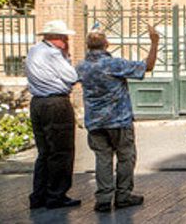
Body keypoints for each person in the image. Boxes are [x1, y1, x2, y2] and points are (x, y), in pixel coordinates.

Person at [76, 25, 160, 213]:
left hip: (95, 122)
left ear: (88, 45)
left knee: (102, 158)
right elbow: (148, 66)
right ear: (107, 44)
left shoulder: (81, 66)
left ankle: (104, 198)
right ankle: (123, 195)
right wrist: (154, 43)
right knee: (125, 157)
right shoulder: (114, 64)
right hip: (118, 120)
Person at [26, 19, 80, 210]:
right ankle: (56, 195)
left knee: (44, 152)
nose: (67, 42)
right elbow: (72, 77)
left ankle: (39, 195)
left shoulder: (34, 51)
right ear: (56, 38)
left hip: (37, 103)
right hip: (56, 103)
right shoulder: (54, 54)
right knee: (61, 151)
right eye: (64, 38)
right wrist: (66, 57)